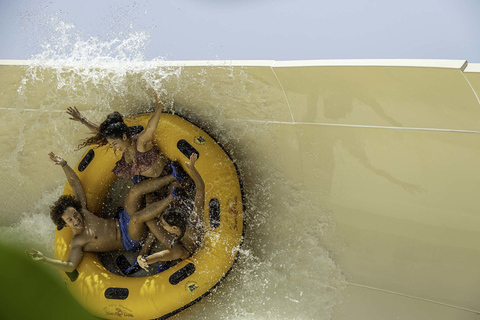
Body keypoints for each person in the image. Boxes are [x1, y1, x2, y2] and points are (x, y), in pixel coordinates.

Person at [26, 152, 180, 272]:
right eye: (70, 220)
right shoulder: (79, 242)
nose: (75, 219)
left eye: (74, 215)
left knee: (134, 191)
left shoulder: (82, 211)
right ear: (65, 224)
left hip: (122, 219)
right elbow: (70, 265)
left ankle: (173, 176)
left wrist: (64, 164)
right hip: (129, 239)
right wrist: (44, 260)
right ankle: (171, 198)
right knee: (136, 219)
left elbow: (75, 184)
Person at [66, 92, 168, 184]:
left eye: (114, 144)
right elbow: (99, 132)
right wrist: (82, 119)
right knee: (138, 195)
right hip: (149, 179)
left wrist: (159, 107)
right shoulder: (125, 148)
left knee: (135, 191)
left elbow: (150, 128)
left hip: (165, 173)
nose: (114, 148)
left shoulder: (140, 142)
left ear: (124, 137)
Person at [137, 153, 205, 270]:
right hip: (178, 239)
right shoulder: (194, 219)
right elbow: (200, 188)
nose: (161, 224)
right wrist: (192, 168)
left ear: (174, 228)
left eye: (164, 224)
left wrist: (145, 260)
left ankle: (164, 264)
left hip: (184, 252)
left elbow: (161, 255)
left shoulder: (179, 250)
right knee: (150, 220)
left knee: (150, 222)